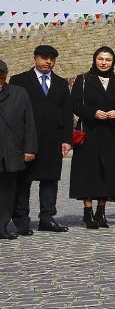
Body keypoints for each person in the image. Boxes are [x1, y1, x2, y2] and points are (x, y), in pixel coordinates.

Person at [10, 45, 72, 234]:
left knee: (50, 179)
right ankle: (21, 219)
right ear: (35, 58)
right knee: (23, 180)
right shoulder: (19, 80)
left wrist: (66, 139)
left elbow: (67, 113)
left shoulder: (61, 83)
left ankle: (47, 218)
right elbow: (13, 112)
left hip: (53, 139)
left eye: (52, 59)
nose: (48, 62)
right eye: (44, 58)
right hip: (26, 140)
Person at [69, 47, 115, 229]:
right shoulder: (83, 79)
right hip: (90, 132)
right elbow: (74, 104)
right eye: (101, 59)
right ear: (95, 59)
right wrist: (93, 113)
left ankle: (101, 212)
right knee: (89, 172)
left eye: (108, 60)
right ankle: (88, 211)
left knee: (108, 172)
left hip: (112, 134)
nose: (104, 63)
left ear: (113, 62)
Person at [0, 59, 37, 240]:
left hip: (10, 150)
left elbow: (29, 122)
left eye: (1, 76)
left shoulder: (19, 93)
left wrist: (30, 149)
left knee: (7, 192)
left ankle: (2, 226)